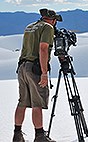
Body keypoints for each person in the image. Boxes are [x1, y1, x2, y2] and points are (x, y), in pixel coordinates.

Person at [12, 8, 62, 142]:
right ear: (53, 19)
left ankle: (17, 135)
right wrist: (44, 73)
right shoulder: (47, 27)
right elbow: (43, 48)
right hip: (35, 68)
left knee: (22, 102)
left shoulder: (30, 26)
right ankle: (40, 136)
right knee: (37, 103)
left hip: (22, 67)